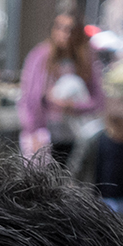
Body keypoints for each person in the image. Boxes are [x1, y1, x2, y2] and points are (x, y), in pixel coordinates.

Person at [18, 11, 103, 161]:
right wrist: (33, 131)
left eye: (70, 29)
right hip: (44, 134)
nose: (65, 34)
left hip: (75, 135)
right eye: (60, 27)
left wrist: (73, 105)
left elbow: (98, 100)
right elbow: (29, 98)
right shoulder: (40, 56)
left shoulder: (86, 59)